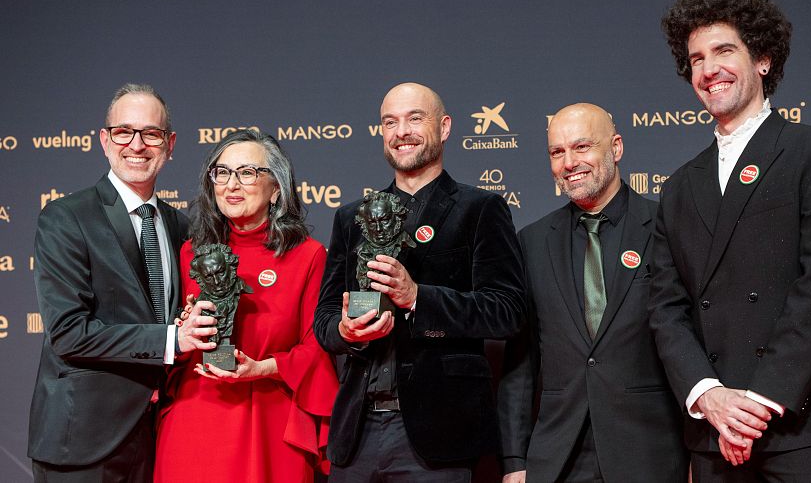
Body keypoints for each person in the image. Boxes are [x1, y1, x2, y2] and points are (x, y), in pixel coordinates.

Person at [651, 0, 811, 481]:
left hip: (810, 424)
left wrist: (757, 405)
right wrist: (708, 396)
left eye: (723, 50)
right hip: (715, 433)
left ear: (763, 59)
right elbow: (666, 309)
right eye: (695, 59)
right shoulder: (678, 187)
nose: (708, 69)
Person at [313, 82, 526, 481]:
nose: (401, 131)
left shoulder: (480, 209)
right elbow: (324, 319)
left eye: (415, 118)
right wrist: (345, 330)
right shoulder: (352, 218)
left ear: (444, 128)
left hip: (439, 436)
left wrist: (416, 298)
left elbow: (507, 310)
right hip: (357, 434)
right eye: (389, 122)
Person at [28, 83, 216, 482]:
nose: (137, 145)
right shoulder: (66, 217)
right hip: (82, 443)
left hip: (157, 437)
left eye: (151, 133)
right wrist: (170, 340)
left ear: (170, 143)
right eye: (123, 131)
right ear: (104, 140)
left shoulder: (181, 227)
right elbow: (68, 333)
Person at [498, 103, 688, 482]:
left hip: (650, 453)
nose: (569, 162)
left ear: (615, 148)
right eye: (558, 152)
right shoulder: (532, 242)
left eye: (582, 147)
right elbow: (521, 363)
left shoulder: (667, 229)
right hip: (559, 457)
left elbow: (692, 342)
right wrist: (516, 460)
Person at [154, 129, 339, 482]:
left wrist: (262, 368)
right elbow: (170, 345)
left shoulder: (307, 256)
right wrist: (184, 330)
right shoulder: (190, 253)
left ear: (276, 189)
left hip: (269, 421)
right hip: (195, 419)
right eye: (221, 173)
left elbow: (317, 350)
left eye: (247, 172)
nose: (231, 184)